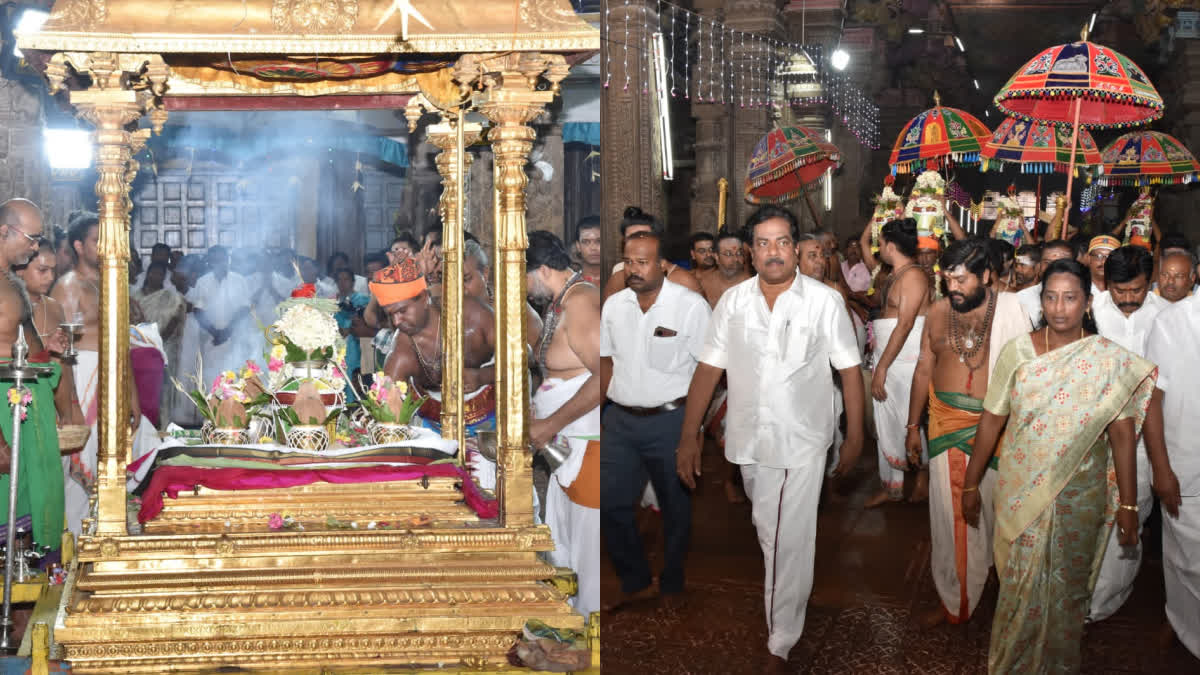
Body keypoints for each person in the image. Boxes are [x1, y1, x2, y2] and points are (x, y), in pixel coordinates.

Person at [675, 206, 863, 672]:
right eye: (763, 243)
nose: (773, 252)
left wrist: (855, 434)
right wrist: (689, 435)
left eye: (782, 242)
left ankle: (780, 640)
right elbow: (707, 369)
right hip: (749, 438)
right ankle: (792, 595)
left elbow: (850, 371)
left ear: (796, 249)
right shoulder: (734, 303)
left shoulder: (823, 301)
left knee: (784, 534)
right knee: (771, 530)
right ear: (750, 252)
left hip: (803, 438)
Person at [961, 259, 1156, 673]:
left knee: (1067, 591)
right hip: (1021, 491)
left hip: (1080, 498)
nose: (1059, 307)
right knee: (1018, 587)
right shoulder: (1019, 351)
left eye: (1070, 298)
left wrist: (1128, 505)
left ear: (1087, 303)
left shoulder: (1106, 359)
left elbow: (1123, 435)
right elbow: (992, 418)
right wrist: (970, 484)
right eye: (1050, 297)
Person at [904, 237, 1032, 628]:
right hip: (946, 424)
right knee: (953, 517)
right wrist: (913, 426)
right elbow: (925, 368)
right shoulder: (938, 313)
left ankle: (994, 578)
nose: (953, 289)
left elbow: (1028, 376)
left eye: (962, 281)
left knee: (998, 513)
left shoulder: (1013, 309)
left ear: (988, 275)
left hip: (999, 425)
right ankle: (955, 598)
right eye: (948, 281)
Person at [600, 231, 710, 613]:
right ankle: (636, 580)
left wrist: (692, 432)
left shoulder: (691, 307)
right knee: (610, 502)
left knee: (675, 506)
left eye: (643, 262)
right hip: (621, 420)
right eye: (629, 261)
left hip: (671, 419)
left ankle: (673, 576)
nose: (634, 269)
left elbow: (706, 372)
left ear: (664, 265)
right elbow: (606, 362)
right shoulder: (614, 306)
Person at [51, 211, 155, 534]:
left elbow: (121, 341)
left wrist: (132, 394)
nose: (105, 247)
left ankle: (111, 530)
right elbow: (62, 350)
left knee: (141, 444)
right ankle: (81, 542)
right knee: (86, 461)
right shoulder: (69, 287)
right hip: (83, 380)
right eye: (98, 241)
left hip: (113, 378)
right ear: (79, 246)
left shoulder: (111, 281)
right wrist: (71, 406)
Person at [1088, 246, 1176, 622]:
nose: (1126, 299)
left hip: (1144, 437)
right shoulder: (1092, 311)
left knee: (1130, 515)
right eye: (1119, 290)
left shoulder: (1165, 316)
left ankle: (1104, 600)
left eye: (1136, 290)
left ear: (1149, 281)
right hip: (1094, 435)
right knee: (1093, 515)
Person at [525, 230, 602, 619]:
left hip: (589, 447)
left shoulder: (582, 301)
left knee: (590, 554)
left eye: (524, 280)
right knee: (565, 545)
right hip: (565, 450)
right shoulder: (562, 302)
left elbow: (605, 375)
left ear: (540, 270)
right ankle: (573, 626)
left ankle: (593, 635)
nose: (524, 289)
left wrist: (549, 422)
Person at [0, 199, 76, 559]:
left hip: (27, 409)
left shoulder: (12, 283)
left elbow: (29, 349)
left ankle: (25, 610)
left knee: (31, 513)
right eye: (31, 239)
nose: (35, 247)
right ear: (4, 231)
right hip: (4, 412)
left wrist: (49, 348)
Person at [375, 258, 497, 436]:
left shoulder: (473, 315)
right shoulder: (401, 352)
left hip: (494, 422)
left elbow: (526, 357)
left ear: (424, 298)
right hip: (434, 430)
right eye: (390, 315)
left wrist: (482, 376)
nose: (396, 322)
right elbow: (387, 413)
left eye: (402, 311)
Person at [1143, 284, 1199, 659]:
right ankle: (1180, 622)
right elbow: (1151, 402)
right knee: (1184, 561)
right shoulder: (1172, 322)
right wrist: (1161, 468)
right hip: (1185, 463)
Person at [867, 218, 931, 508]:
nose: (878, 249)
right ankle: (892, 486)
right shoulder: (894, 274)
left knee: (910, 421)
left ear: (890, 246)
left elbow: (905, 325)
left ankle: (923, 478)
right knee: (887, 421)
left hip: (904, 360)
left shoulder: (914, 276)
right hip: (889, 356)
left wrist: (881, 368)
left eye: (880, 244)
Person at [603, 207, 702, 299]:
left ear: (658, 240)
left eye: (642, 236)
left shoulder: (683, 282)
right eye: (630, 238)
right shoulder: (618, 280)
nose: (636, 243)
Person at [133, 260, 186, 429]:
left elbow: (176, 320)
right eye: (153, 273)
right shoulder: (134, 297)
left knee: (163, 388)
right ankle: (140, 426)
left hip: (164, 347)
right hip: (138, 347)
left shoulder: (171, 297)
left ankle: (163, 426)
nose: (156, 276)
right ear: (147, 274)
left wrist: (157, 340)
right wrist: (145, 340)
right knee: (139, 388)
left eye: (160, 274)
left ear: (164, 277)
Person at [1016, 239, 1074, 326]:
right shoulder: (1022, 299)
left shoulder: (1085, 298)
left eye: (1060, 263)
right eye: (1047, 262)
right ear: (1040, 266)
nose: (1053, 267)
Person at [573, 216, 602, 285]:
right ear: (578, 246)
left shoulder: (616, 280)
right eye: (586, 242)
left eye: (599, 241)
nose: (593, 248)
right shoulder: (569, 283)